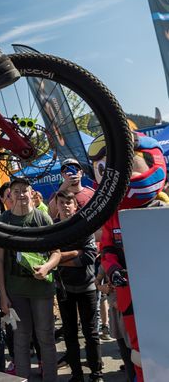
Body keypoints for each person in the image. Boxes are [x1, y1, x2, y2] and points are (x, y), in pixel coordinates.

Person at [90, 132, 167, 382]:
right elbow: (107, 248)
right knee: (139, 352)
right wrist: (112, 269)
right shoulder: (116, 215)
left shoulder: (163, 210)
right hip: (131, 295)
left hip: (162, 294)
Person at [0, 176, 60, 381]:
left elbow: (56, 252)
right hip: (16, 291)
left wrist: (47, 267)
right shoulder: (4, 220)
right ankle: (22, 379)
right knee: (21, 339)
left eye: (25, 190)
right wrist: (3, 295)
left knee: (46, 337)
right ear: (10, 196)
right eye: (16, 191)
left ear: (31, 193)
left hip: (42, 290)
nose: (21, 194)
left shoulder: (43, 218)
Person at [55, 191, 103, 382]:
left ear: (75, 206)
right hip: (64, 288)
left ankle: (96, 374)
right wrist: (76, 253)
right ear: (56, 206)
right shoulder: (54, 229)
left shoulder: (85, 226)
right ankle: (77, 375)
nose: (66, 206)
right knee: (70, 333)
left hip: (87, 287)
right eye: (62, 203)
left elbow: (89, 256)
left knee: (91, 334)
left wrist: (59, 259)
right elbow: (48, 255)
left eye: (69, 203)